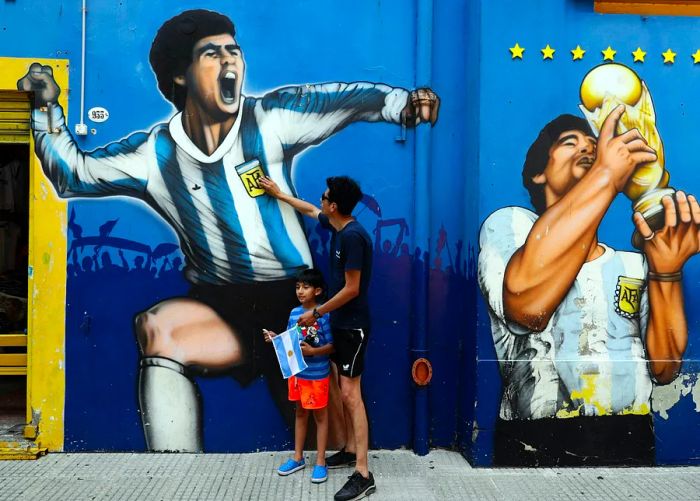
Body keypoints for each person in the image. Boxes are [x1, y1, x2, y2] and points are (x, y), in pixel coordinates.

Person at [16, 9, 440, 452]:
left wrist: (401, 103)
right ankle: (173, 473)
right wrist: (47, 109)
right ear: (180, 77)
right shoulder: (153, 155)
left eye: (233, 51)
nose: (229, 61)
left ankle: (341, 463)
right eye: (212, 53)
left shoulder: (271, 119)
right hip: (222, 304)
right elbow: (76, 174)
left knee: (323, 425)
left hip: (291, 299)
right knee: (158, 327)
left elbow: (344, 100)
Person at [477, 108, 699, 466]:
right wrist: (606, 175)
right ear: (538, 173)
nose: (588, 148)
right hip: (536, 437)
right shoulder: (509, 228)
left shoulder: (633, 263)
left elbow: (665, 367)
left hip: (630, 435)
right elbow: (527, 308)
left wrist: (667, 273)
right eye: (570, 142)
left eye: (594, 146)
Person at [260, 175, 375, 501]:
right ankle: (351, 451)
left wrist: (318, 311)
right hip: (341, 323)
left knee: (352, 395)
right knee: (344, 390)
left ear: (335, 205)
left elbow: (352, 288)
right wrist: (279, 194)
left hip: (353, 327)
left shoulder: (353, 237)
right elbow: (310, 211)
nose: (321, 200)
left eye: (325, 197)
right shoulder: (338, 227)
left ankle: (363, 473)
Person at [263, 268, 333, 484]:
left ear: (318, 290)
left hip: (318, 375)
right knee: (300, 413)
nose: (300, 291)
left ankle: (321, 461)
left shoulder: (324, 313)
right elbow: (289, 341)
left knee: (320, 417)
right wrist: (276, 338)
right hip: (298, 375)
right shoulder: (294, 313)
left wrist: (314, 352)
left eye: (306, 287)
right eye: (298, 287)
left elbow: (332, 346)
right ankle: (298, 457)